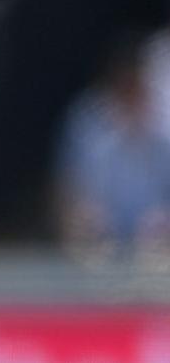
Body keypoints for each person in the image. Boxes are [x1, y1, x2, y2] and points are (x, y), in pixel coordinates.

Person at [56, 34, 170, 263]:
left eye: (135, 83)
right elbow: (67, 192)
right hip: (103, 241)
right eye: (123, 84)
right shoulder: (89, 121)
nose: (129, 92)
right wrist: (84, 222)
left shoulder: (165, 122)